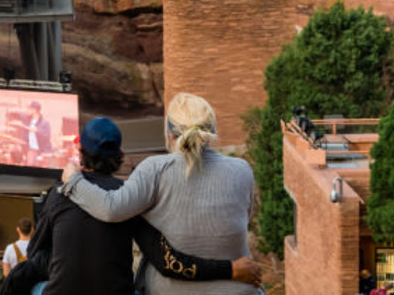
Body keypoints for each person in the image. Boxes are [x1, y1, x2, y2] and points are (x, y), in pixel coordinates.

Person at [60, 93, 258, 295]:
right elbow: (243, 218)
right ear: (212, 131)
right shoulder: (241, 170)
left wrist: (73, 182)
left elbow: (111, 208)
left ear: (170, 135)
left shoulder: (155, 169)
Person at [14, 101, 52, 166]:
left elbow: (47, 137)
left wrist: (36, 130)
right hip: (31, 149)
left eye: (29, 109)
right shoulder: (27, 119)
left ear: (34, 110)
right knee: (28, 164)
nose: (27, 110)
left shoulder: (45, 123)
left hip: (42, 151)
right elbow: (17, 113)